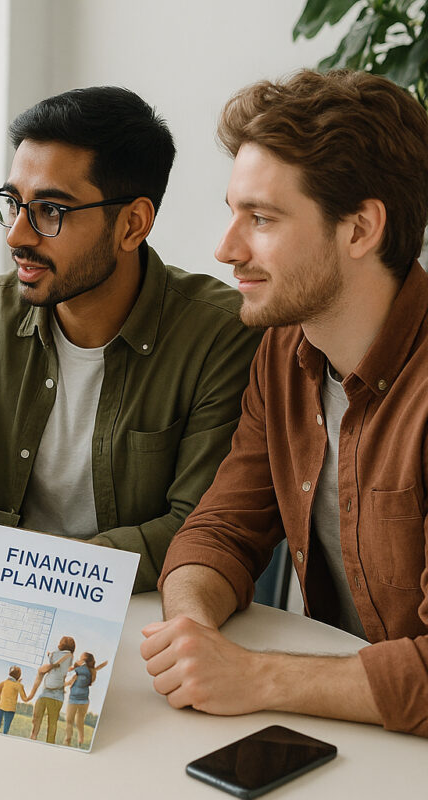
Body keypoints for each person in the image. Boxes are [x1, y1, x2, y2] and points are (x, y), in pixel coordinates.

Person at [0, 86, 261, 606]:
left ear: (132, 224)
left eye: (50, 210)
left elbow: (198, 527)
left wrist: (41, 572)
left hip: (146, 608)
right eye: (13, 203)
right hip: (3, 597)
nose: (17, 234)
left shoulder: (220, 335)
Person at [141, 69, 428, 739]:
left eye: (262, 218)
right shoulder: (283, 351)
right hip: (350, 728)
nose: (225, 248)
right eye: (233, 211)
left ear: (360, 228)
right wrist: (191, 626)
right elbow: (222, 528)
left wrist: (254, 676)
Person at [28, 635, 74, 743]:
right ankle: (50, 743)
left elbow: (52, 659)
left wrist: (49, 654)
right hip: (58, 696)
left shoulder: (54, 654)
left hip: (45, 693)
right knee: (52, 723)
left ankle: (33, 737)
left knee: (36, 719)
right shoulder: (70, 657)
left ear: (61, 644)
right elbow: (64, 667)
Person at [63, 652, 106, 747]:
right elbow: (69, 682)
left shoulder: (84, 671)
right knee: (74, 721)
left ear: (84, 661)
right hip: (79, 700)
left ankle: (74, 740)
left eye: (81, 658)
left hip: (78, 700)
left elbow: (74, 675)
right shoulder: (86, 672)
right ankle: (74, 740)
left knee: (74, 721)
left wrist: (73, 667)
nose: (78, 659)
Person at [0, 665, 30, 734]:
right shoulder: (19, 685)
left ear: (10, 673)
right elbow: (25, 699)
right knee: (6, 730)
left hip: (0, 707)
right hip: (10, 709)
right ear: (19, 675)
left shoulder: (3, 683)